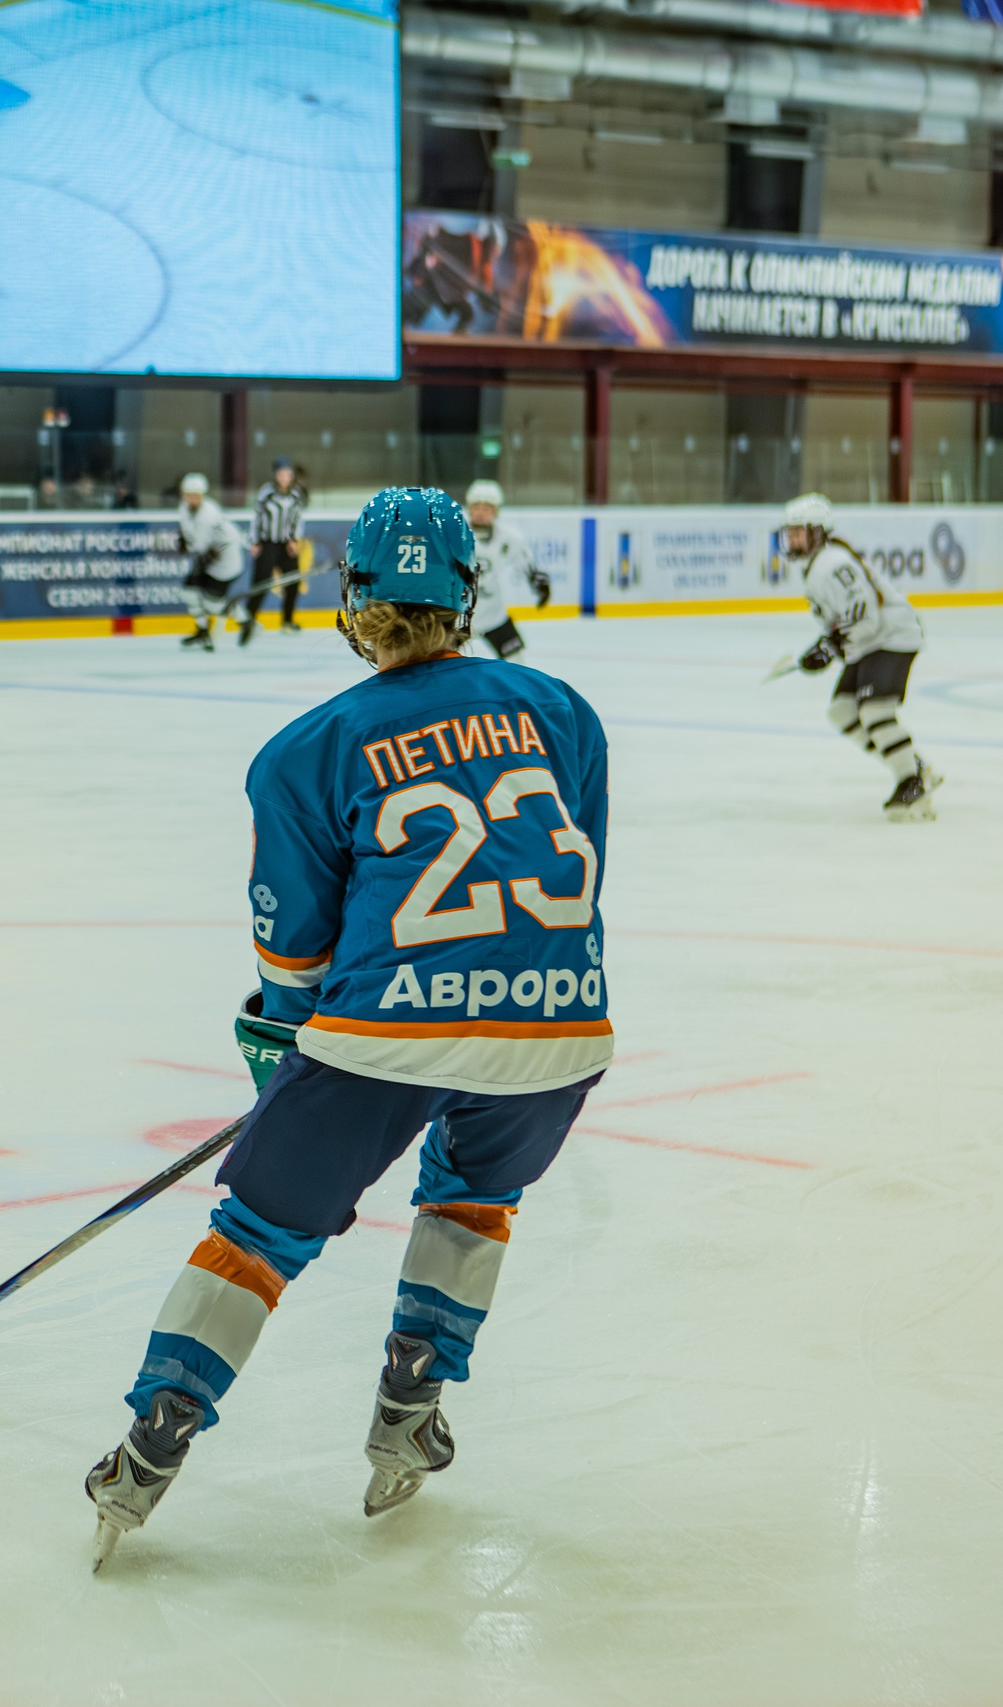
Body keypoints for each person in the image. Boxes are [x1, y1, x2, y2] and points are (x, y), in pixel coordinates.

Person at [86, 487, 613, 1568]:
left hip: (380, 1034)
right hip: (561, 1034)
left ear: (352, 597)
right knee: (472, 1196)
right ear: (466, 594)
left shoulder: (305, 750)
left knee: (261, 1235)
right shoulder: (563, 711)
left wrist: (280, 1054)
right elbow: (576, 871)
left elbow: (293, 965)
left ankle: (154, 1438)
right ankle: (410, 1407)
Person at [783, 492, 942, 822]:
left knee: (873, 711)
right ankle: (914, 765)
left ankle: (911, 783)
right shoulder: (817, 566)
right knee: (842, 711)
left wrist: (831, 647)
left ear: (818, 532)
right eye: (791, 531)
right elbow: (844, 622)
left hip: (892, 637)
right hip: (873, 641)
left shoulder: (834, 564)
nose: (793, 537)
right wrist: (826, 644)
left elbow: (866, 618)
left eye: (800, 530)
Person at [462, 480, 550, 660]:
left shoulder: (509, 538)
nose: (480, 513)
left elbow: (526, 565)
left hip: (492, 614)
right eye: (476, 507)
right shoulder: (455, 534)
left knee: (516, 663)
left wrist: (539, 584)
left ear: (496, 511)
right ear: (469, 508)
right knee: (434, 664)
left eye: (486, 508)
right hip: (457, 616)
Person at [240, 457, 307, 646]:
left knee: (293, 582)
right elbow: (257, 519)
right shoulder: (266, 493)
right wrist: (255, 542)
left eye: (288, 474)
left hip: (286, 544)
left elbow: (298, 519)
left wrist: (294, 539)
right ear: (275, 475)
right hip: (268, 543)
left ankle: (287, 620)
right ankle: (249, 620)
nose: (284, 478)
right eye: (281, 474)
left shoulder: (296, 494)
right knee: (260, 583)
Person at [175, 473, 241, 653]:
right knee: (189, 592)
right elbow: (188, 531)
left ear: (202, 495)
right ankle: (203, 630)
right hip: (208, 558)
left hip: (223, 561)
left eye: (196, 496)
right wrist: (183, 539)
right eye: (189, 495)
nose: (192, 499)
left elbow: (220, 542)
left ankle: (244, 620)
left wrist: (205, 555)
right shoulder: (184, 508)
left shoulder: (210, 514)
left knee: (212, 603)